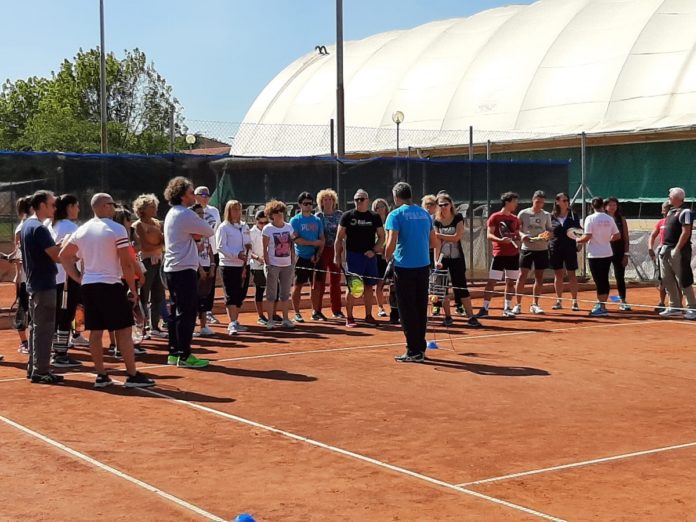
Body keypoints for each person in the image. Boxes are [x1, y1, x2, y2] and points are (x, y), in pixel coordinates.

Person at [59, 194, 154, 388]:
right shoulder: (117, 229)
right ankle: (132, 375)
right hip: (110, 285)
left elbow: (63, 256)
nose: (114, 208)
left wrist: (79, 278)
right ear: (103, 206)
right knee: (124, 331)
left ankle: (101, 375)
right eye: (112, 204)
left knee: (95, 332)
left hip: (89, 287)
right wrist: (133, 289)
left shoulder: (81, 230)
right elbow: (126, 263)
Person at [162, 177, 214, 368]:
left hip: (173, 269)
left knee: (177, 311)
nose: (195, 196)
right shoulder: (185, 214)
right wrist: (196, 232)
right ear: (183, 195)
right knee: (187, 312)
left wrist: (194, 234)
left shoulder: (172, 212)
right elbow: (209, 231)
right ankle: (184, 356)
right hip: (183, 269)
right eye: (191, 193)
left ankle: (174, 353)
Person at [385, 182, 437, 363]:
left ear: (396, 196)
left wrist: (387, 257)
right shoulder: (424, 214)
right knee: (420, 307)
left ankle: (413, 350)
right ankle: (419, 348)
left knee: (407, 310)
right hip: (423, 266)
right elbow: (434, 242)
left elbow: (391, 242)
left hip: (404, 267)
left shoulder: (395, 214)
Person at [20, 190, 63, 384]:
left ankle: (35, 368)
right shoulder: (39, 228)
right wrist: (70, 247)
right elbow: (56, 256)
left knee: (37, 328)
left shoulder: (27, 225)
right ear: (42, 205)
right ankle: (41, 370)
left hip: (35, 283)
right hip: (44, 283)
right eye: (52, 204)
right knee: (44, 329)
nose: (55, 208)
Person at [335, 189, 384, 327]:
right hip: (353, 257)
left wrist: (374, 251)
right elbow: (339, 238)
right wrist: (336, 256)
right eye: (356, 199)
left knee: (369, 286)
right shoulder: (347, 216)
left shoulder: (374, 216)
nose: (359, 202)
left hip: (370, 258)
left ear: (367, 200)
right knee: (353, 287)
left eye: (362, 199)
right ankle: (350, 317)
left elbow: (382, 236)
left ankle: (368, 315)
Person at [432, 193, 481, 327]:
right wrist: (436, 261)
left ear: (451, 205)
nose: (443, 207)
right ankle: (448, 316)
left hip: (457, 258)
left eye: (446, 204)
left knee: (461, 287)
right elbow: (437, 243)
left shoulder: (458, 217)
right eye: (441, 205)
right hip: (443, 259)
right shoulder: (436, 221)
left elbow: (456, 237)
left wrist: (439, 235)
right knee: (442, 288)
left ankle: (471, 316)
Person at [47, 194, 82, 368]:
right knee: (65, 315)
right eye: (76, 206)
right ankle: (60, 354)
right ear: (69, 207)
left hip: (53, 277)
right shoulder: (70, 227)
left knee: (57, 316)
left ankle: (56, 350)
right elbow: (76, 254)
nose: (78, 210)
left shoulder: (50, 225)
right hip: (67, 278)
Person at [476, 192, 521, 318]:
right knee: (492, 282)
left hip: (513, 255)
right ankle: (485, 309)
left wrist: (520, 240)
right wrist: (501, 240)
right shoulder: (495, 217)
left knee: (510, 282)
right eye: (514, 202)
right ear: (507, 202)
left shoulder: (515, 219)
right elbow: (489, 235)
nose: (516, 204)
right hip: (499, 255)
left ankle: (507, 308)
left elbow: (517, 234)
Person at [575, 197, 620, 317]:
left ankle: (602, 307)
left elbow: (587, 236)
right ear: (603, 206)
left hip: (595, 255)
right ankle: (602, 305)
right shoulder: (609, 218)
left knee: (599, 281)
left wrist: (577, 240)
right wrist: (606, 240)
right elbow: (617, 235)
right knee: (604, 279)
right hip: (607, 253)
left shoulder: (590, 218)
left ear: (592, 206)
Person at [657, 187, 696, 320]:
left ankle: (692, 308)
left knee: (683, 279)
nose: (668, 197)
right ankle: (674, 307)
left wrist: (677, 249)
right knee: (667, 279)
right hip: (665, 250)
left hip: (678, 251)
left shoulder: (686, 212)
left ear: (677, 198)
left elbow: (686, 232)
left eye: (670, 196)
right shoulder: (671, 212)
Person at [132, 193, 167, 338]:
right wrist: (159, 245)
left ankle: (155, 327)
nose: (155, 209)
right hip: (145, 263)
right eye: (151, 207)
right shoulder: (137, 225)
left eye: (155, 206)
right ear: (142, 209)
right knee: (143, 296)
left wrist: (160, 246)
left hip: (159, 262)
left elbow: (164, 242)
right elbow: (144, 246)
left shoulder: (158, 223)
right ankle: (143, 327)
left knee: (158, 295)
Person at [513, 190, 553, 315]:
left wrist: (547, 235)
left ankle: (535, 304)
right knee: (522, 276)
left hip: (542, 249)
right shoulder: (523, 213)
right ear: (533, 200)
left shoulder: (546, 215)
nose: (539, 204)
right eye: (537, 202)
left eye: (542, 202)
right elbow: (516, 229)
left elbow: (550, 230)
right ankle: (518, 305)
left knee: (539, 277)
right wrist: (523, 235)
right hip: (526, 249)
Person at [216, 200, 252, 335]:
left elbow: (248, 242)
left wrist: (248, 250)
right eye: (234, 209)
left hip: (244, 265)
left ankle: (235, 321)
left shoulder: (244, 226)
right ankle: (232, 323)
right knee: (231, 293)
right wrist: (236, 254)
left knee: (241, 294)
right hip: (229, 265)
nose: (237, 212)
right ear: (228, 211)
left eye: (239, 209)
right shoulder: (223, 227)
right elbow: (221, 247)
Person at [290, 192, 325, 323]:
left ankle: (315, 312)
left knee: (316, 285)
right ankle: (297, 313)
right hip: (302, 257)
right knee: (298, 285)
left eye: (310, 204)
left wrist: (318, 254)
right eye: (305, 204)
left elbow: (322, 239)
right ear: (300, 205)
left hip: (315, 257)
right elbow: (296, 239)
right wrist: (312, 243)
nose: (308, 206)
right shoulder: (295, 220)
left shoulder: (317, 220)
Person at [262, 200, 296, 329]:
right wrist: (268, 264)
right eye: (276, 212)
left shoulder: (289, 227)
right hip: (273, 265)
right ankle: (270, 320)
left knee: (285, 294)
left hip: (287, 265)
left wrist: (292, 261)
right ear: (271, 214)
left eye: (282, 211)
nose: (280, 214)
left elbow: (292, 246)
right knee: (271, 294)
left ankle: (286, 319)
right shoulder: (267, 229)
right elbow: (265, 248)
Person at [194, 186, 222, 326]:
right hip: (196, 253)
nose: (206, 197)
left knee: (210, 283)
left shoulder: (214, 211)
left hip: (212, 252)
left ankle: (208, 312)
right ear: (196, 196)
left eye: (207, 195)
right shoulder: (191, 211)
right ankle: (195, 313)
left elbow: (217, 230)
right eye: (203, 195)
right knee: (196, 284)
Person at [549, 192, 581, 311]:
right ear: (557, 202)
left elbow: (579, 231)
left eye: (567, 200)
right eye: (564, 200)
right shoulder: (551, 216)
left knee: (572, 274)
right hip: (555, 248)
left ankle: (574, 301)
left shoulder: (573, 215)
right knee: (558, 274)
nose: (566, 202)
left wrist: (580, 243)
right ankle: (559, 301)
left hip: (570, 248)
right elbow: (548, 231)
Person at [316, 188, 344, 319]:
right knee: (320, 282)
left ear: (334, 201)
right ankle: (317, 310)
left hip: (336, 250)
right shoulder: (318, 216)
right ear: (321, 202)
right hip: (322, 251)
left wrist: (341, 252)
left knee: (336, 282)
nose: (328, 202)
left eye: (330, 199)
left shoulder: (340, 215)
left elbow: (344, 234)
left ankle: (337, 310)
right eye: (325, 200)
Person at [190, 203, 216, 337]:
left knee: (205, 297)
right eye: (198, 213)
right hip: (195, 268)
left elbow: (210, 249)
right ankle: (192, 327)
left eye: (202, 213)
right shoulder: (190, 231)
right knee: (194, 298)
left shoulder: (205, 229)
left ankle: (204, 326)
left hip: (206, 266)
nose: (201, 216)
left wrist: (212, 265)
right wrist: (200, 269)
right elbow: (193, 252)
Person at [248, 210, 278, 325]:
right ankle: (260, 316)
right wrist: (258, 258)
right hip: (257, 266)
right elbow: (248, 250)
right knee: (260, 290)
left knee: (275, 290)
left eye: (266, 222)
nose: (263, 225)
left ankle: (273, 314)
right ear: (256, 222)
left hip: (272, 264)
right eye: (261, 223)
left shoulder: (270, 230)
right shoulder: (251, 233)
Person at [11, 196, 31, 354]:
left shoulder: (34, 225)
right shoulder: (21, 229)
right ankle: (24, 342)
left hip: (33, 276)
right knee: (23, 309)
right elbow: (18, 254)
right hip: (25, 277)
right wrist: (18, 275)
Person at [605, 197, 631, 311]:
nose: (612, 207)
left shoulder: (621, 219)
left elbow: (626, 237)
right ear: (605, 206)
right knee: (603, 277)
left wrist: (626, 254)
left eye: (614, 205)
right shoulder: (602, 219)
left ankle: (623, 301)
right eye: (610, 205)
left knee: (620, 277)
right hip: (604, 251)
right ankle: (602, 302)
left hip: (619, 251)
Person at [648, 201, 673, 312]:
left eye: (670, 208)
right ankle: (662, 302)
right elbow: (652, 236)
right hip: (662, 252)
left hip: (674, 252)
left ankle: (677, 305)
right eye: (666, 208)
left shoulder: (677, 221)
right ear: (662, 210)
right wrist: (650, 248)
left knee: (676, 279)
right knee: (662, 278)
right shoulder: (660, 222)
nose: (667, 210)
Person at [372, 198, 391, 318]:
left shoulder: (391, 220)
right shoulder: (372, 223)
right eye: (377, 207)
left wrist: (388, 251)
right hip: (378, 257)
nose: (380, 209)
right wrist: (380, 250)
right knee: (379, 283)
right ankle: (380, 307)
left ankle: (395, 307)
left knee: (393, 285)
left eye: (382, 206)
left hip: (391, 257)